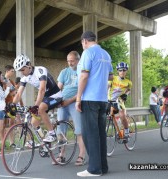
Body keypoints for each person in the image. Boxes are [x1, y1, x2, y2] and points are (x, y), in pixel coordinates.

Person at [75, 31, 113, 177]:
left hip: (89, 99)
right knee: (100, 134)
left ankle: (94, 169)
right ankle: (103, 166)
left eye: (82, 43)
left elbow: (84, 76)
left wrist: (78, 98)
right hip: (102, 99)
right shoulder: (106, 55)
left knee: (89, 134)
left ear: (84, 41)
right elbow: (110, 76)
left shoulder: (87, 53)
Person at [13, 54, 62, 142]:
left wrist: (36, 106)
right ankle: (44, 144)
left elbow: (42, 89)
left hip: (55, 95)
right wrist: (12, 105)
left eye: (23, 70)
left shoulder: (40, 70)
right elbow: (18, 94)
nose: (22, 72)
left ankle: (52, 134)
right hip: (46, 98)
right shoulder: (24, 78)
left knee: (41, 108)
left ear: (29, 65)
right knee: (33, 123)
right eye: (20, 71)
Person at [54, 51, 86, 166]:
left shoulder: (82, 72)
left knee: (79, 130)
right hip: (63, 103)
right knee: (60, 131)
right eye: (68, 61)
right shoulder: (64, 72)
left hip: (75, 102)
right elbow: (58, 89)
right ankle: (61, 155)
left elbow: (82, 91)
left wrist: (70, 100)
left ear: (78, 60)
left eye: (72, 61)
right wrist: (55, 101)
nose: (70, 63)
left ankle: (81, 155)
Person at [108, 62, 132, 140]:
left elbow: (128, 90)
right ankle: (118, 132)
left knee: (122, 116)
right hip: (110, 100)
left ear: (126, 71)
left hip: (119, 101)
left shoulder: (128, 82)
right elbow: (107, 86)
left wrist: (126, 94)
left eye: (124, 70)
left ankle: (127, 132)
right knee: (112, 116)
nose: (122, 72)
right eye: (120, 70)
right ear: (118, 71)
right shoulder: (113, 78)